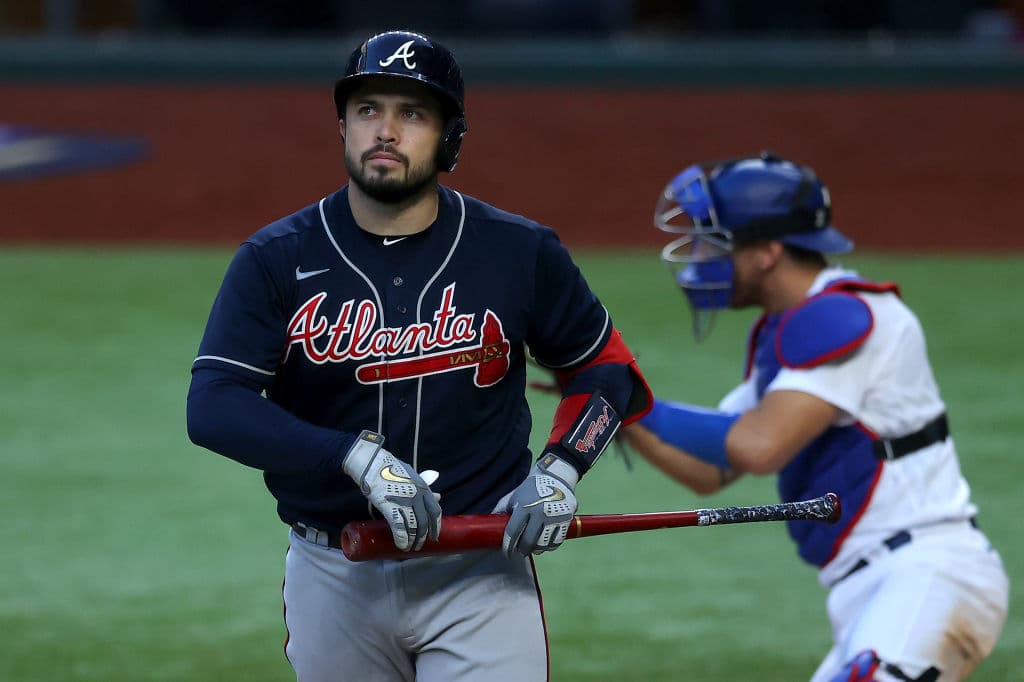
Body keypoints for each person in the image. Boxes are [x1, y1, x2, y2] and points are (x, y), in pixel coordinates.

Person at [185, 29, 651, 682]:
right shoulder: (277, 258)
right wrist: (353, 456)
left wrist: (562, 469)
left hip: (481, 573)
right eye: (369, 109)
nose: (386, 130)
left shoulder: (517, 252)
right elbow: (213, 407)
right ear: (343, 126)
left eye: (413, 113)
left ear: (450, 138)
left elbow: (606, 369)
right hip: (335, 571)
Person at [621, 152, 1009, 681]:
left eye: (713, 242)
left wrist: (630, 399)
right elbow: (710, 469)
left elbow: (757, 447)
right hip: (873, 594)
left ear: (766, 253)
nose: (697, 256)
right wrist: (612, 409)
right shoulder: (789, 334)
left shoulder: (844, 319)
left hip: (929, 577)